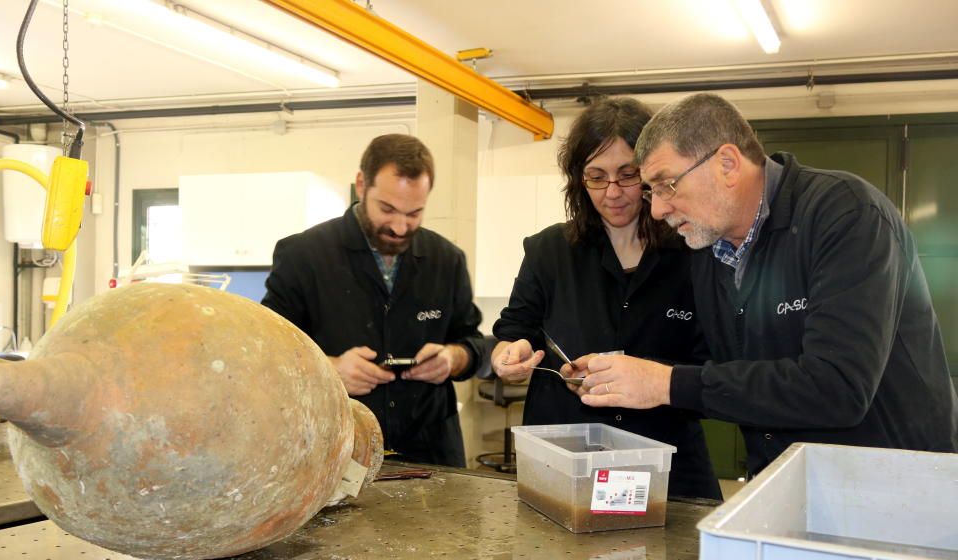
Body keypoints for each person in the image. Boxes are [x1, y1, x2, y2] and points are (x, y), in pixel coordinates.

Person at [577, 93, 958, 475]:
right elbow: (726, 371)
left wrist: (664, 383)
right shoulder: (708, 251)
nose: (657, 210)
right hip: (788, 478)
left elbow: (838, 387)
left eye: (667, 186)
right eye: (651, 191)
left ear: (727, 163)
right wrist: (627, 377)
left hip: (899, 481)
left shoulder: (846, 216)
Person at [491, 97, 722, 499]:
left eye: (627, 175)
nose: (612, 193)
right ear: (578, 179)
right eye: (596, 177)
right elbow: (515, 330)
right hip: (565, 459)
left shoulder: (694, 251)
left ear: (652, 172)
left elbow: (714, 368)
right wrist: (510, 354)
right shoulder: (550, 251)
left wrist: (649, 378)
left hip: (664, 462)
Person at [262, 134, 484, 467]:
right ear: (362, 185)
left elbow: (473, 341)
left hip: (431, 453)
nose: (399, 226)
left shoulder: (447, 260)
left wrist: (453, 358)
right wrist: (331, 370)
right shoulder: (303, 256)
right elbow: (269, 352)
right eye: (388, 209)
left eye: (414, 214)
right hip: (337, 450)